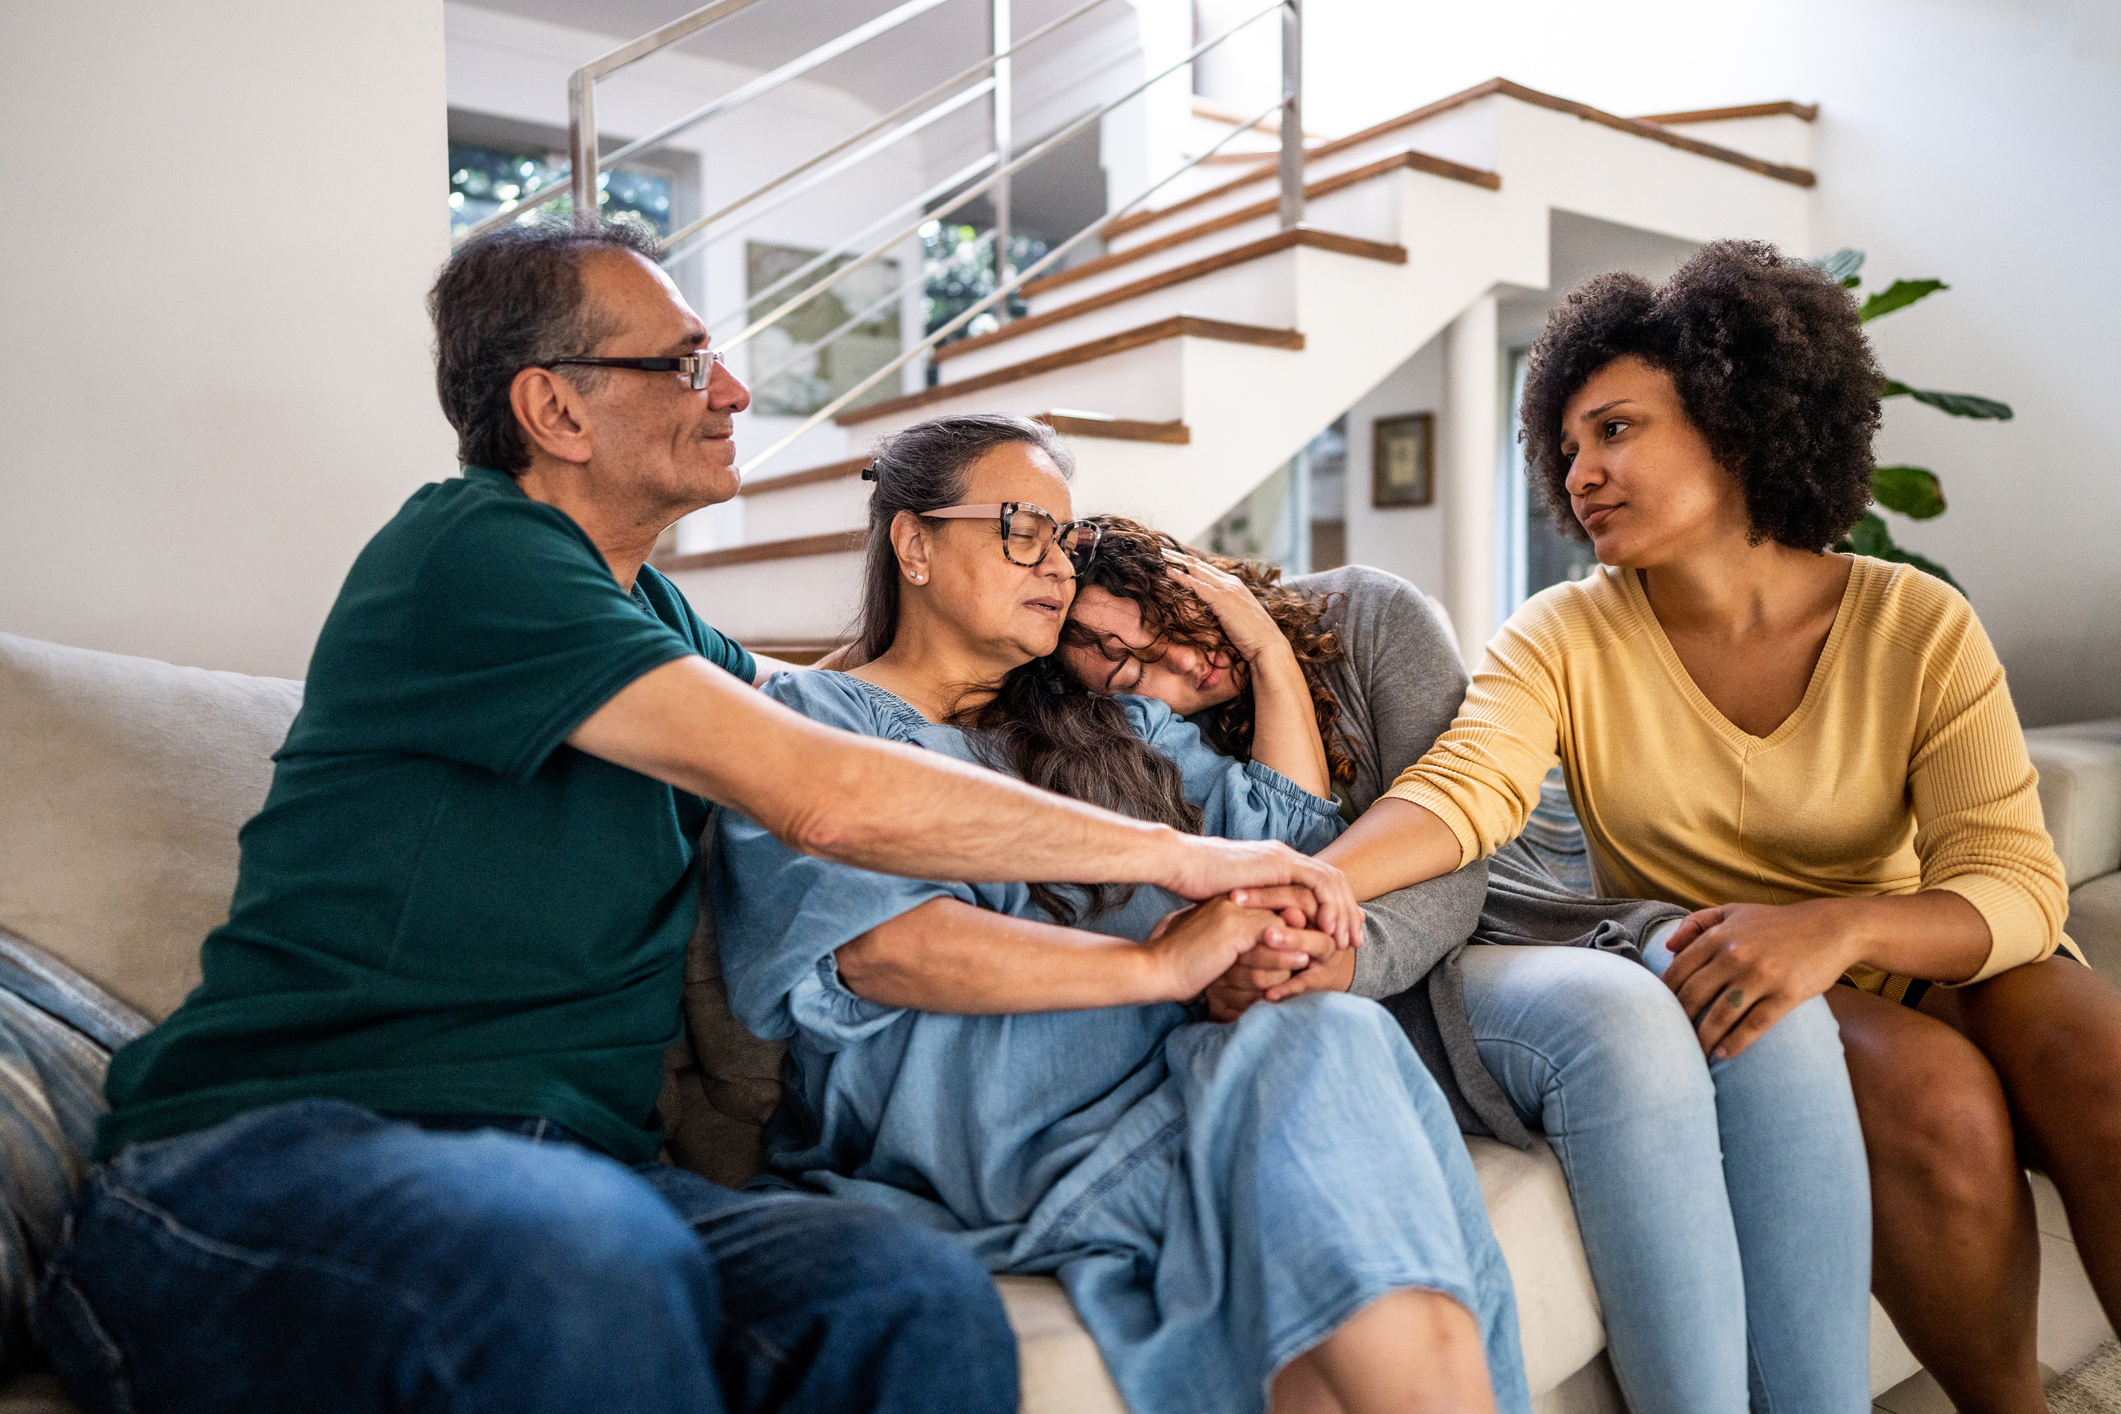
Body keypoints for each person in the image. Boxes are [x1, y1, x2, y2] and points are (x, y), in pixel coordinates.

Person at [33, 220, 1361, 1414]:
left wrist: (1138, 690)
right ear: (553, 405)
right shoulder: (470, 551)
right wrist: (1189, 864)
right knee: (570, 1249)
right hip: (276, 1159)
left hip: (587, 1173)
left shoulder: (662, 627)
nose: (731, 389)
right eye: (683, 363)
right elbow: (827, 792)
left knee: (900, 1288)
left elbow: (852, 723)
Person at [1323, 239, 2121, 1414]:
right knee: (1933, 1098)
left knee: (2094, 1044)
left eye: (1618, 429)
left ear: (1738, 422)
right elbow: (1465, 788)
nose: (1581, 469)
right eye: (1569, 444)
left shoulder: (1915, 620)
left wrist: (1838, 927)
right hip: (1763, 974)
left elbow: (2014, 885)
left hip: (1915, 941)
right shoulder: (1558, 636)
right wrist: (1309, 882)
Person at [710, 413, 1530, 1414]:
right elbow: (882, 952)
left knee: (1329, 1036)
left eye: (1065, 537)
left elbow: (1289, 841)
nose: (1055, 563)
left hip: (1191, 1088)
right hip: (1003, 1127)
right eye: (1022, 526)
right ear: (913, 543)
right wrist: (1159, 967)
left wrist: (1267, 657)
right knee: (1340, 1202)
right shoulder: (808, 728)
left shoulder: (1110, 723)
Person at [1057, 521, 1874, 1413]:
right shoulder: (1132, 749)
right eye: (1137, 673)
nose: (1181, 668)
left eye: (1171, 621)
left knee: (1766, 1002)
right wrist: (1328, 961)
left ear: (1191, 573)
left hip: (1491, 921)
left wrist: (1266, 648)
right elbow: (1254, 909)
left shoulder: (1368, 613)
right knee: (1615, 1019)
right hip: (1387, 996)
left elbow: (1457, 849)